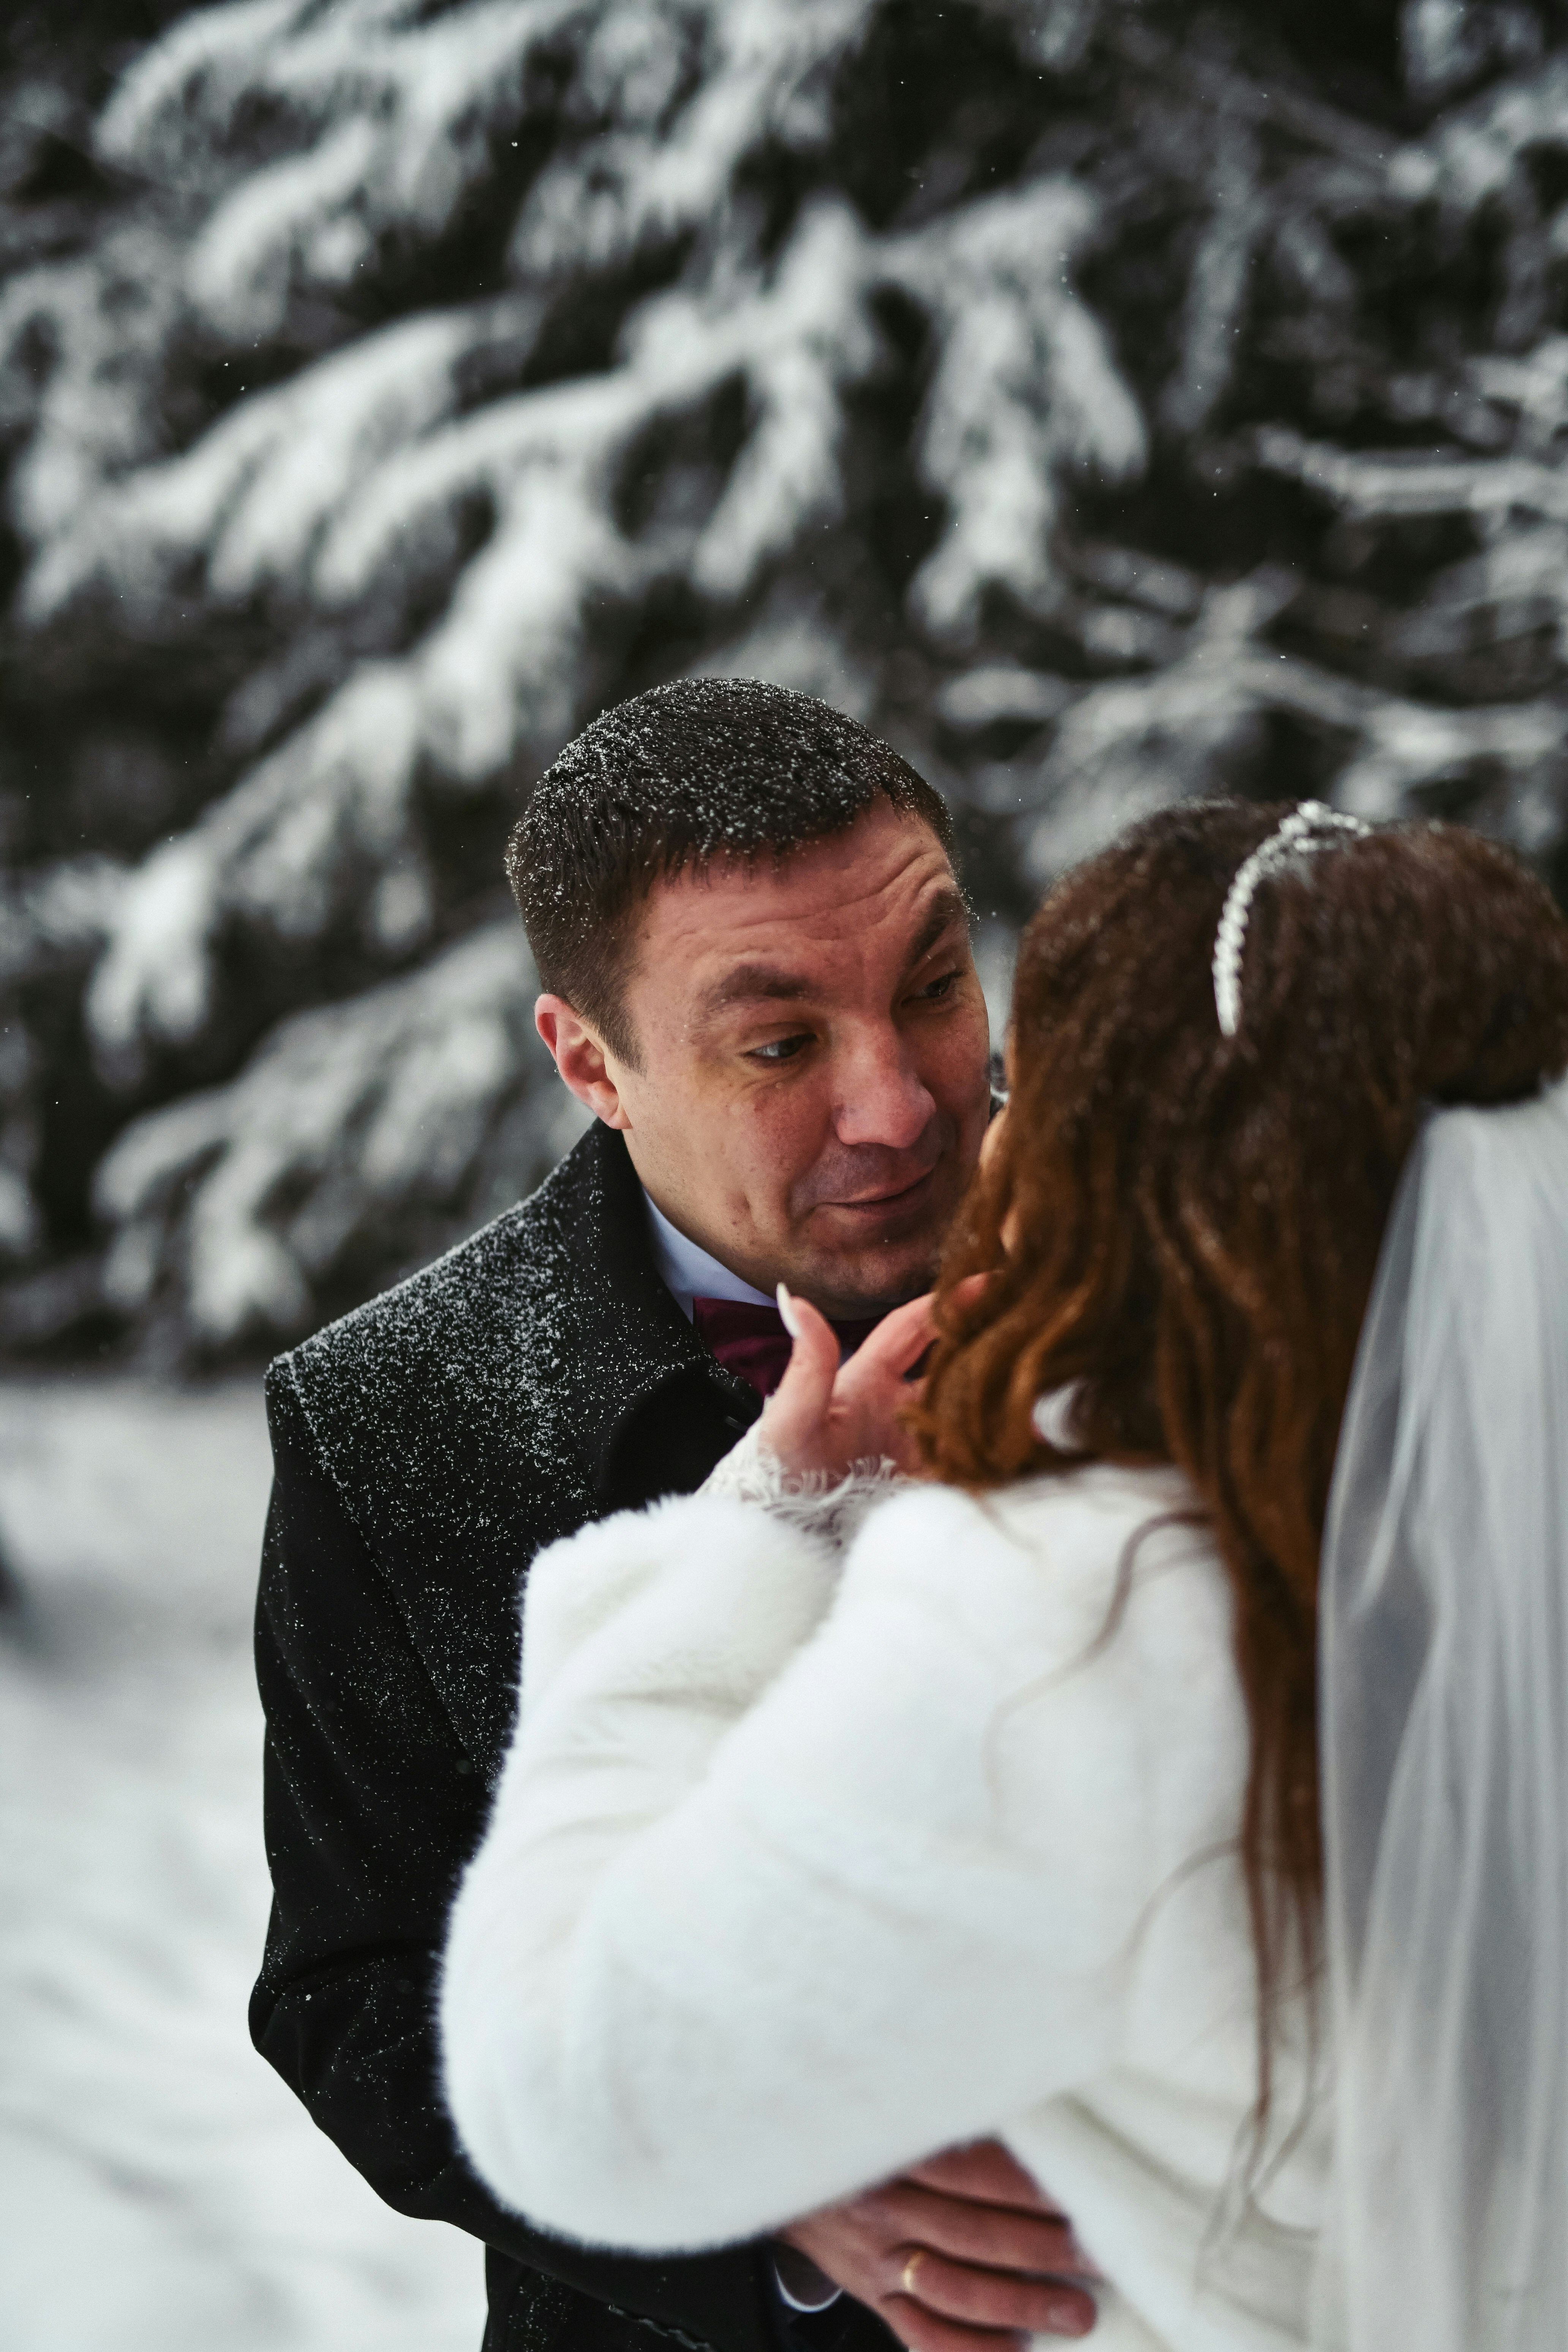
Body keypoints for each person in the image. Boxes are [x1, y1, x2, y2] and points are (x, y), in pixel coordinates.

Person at [439, 800, 1568, 2351]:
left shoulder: (1077, 1623)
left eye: (982, 1028)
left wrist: (758, 1538)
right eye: (779, 1041)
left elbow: (558, 2081)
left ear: (1124, 1137)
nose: (926, 1114)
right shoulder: (1510, 1513)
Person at [251, 677, 1099, 2352]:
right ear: (593, 1065)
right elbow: (358, 1996)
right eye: (780, 1045)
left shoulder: (1224, 1255)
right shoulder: (389, 1419)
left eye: (935, 985)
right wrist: (745, 2178)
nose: (905, 1104)